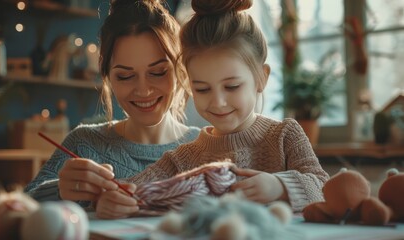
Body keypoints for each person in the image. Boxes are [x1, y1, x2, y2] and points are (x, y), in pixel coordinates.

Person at [95, 0, 329, 219]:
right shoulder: (184, 158)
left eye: (232, 86)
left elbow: (323, 187)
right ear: (188, 84)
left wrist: (279, 186)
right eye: (203, 89)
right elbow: (131, 188)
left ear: (261, 77)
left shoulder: (285, 136)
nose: (218, 102)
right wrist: (111, 199)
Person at [24, 0, 200, 208]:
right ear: (107, 77)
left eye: (157, 72)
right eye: (125, 76)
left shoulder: (210, 145)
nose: (143, 90)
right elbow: (15, 212)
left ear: (179, 69)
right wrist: (59, 191)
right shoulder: (84, 144)